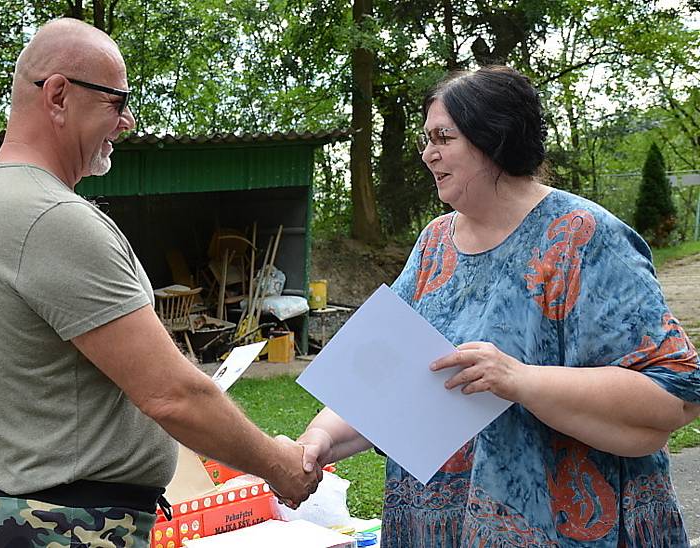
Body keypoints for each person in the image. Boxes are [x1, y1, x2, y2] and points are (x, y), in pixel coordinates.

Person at [297, 65, 700, 547]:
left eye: (443, 137)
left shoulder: (584, 236)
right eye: (426, 139)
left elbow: (673, 397)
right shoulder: (434, 244)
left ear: (495, 140)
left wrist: (519, 380)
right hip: (438, 527)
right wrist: (318, 440)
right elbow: (384, 380)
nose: (428, 155)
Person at [0, 18, 318, 547]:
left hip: (46, 520)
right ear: (58, 94)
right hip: (76, 529)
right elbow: (173, 395)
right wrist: (279, 464)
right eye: (116, 101)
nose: (126, 121)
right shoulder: (51, 218)